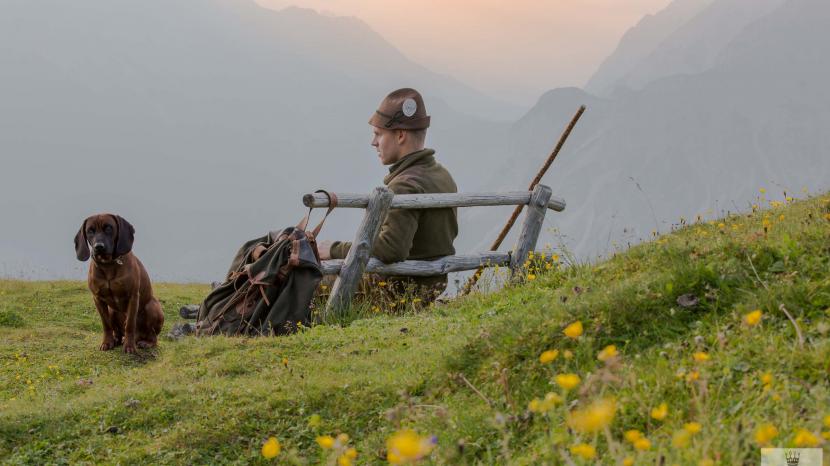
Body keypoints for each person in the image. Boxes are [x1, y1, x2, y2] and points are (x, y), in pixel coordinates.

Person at [317, 88, 458, 303]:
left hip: (400, 289)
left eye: (378, 134)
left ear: (400, 135)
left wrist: (334, 249)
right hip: (431, 283)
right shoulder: (442, 175)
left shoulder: (405, 185)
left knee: (308, 283)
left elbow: (391, 248)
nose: (373, 142)